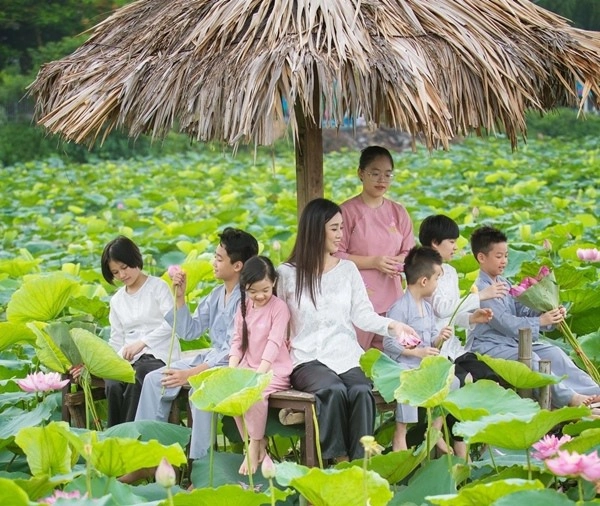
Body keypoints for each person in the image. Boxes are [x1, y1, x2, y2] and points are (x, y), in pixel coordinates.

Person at [277, 197, 419, 462]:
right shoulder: (286, 274)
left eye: (342, 227)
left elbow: (363, 315)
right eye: (334, 228)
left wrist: (393, 325)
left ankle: (361, 463)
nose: (341, 235)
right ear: (315, 230)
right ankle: (338, 460)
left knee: (361, 391)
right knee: (332, 390)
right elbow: (276, 321)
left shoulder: (348, 270)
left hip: (346, 355)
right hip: (307, 358)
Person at [135, 227, 259, 461]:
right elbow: (188, 331)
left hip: (234, 365)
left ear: (238, 266)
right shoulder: (214, 295)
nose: (213, 262)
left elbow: (233, 352)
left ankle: (199, 466)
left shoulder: (248, 298)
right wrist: (180, 297)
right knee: (154, 379)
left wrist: (190, 374)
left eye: (219, 258)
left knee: (199, 391)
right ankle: (146, 458)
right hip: (208, 360)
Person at [468, 225, 600, 408]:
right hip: (490, 346)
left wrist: (548, 313)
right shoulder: (481, 289)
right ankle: (570, 399)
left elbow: (521, 310)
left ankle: (593, 392)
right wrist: (540, 321)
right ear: (481, 257)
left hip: (515, 341)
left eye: (506, 256)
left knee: (555, 352)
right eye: (498, 256)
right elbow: (506, 323)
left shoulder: (503, 282)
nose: (504, 261)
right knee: (532, 359)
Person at [336, 146, 415, 351]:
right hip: (358, 296)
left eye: (388, 175)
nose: (382, 180)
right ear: (360, 173)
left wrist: (398, 262)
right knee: (356, 355)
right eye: (375, 173)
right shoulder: (347, 211)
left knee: (393, 355)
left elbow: (410, 252)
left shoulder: (398, 212)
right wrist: (373, 262)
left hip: (393, 295)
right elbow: (335, 254)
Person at [384, 246, 458, 453]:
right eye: (436, 278)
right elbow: (389, 344)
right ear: (424, 281)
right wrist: (417, 353)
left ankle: (434, 430)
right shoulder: (400, 308)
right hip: (405, 366)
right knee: (409, 383)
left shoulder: (427, 307)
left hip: (423, 365)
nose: (437, 284)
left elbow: (430, 345)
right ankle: (400, 432)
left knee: (454, 381)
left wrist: (439, 339)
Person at [100, 236, 180, 427]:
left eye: (124, 267)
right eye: (115, 272)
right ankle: (115, 434)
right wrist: (111, 362)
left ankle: (132, 435)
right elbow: (117, 338)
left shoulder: (158, 287)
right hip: (130, 359)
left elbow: (172, 323)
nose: (122, 275)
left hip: (160, 353)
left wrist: (142, 343)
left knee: (139, 376)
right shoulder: (117, 300)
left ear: (134, 259)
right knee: (112, 382)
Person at [419, 214, 506, 384]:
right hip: (432, 348)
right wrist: (480, 295)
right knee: (464, 382)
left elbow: (451, 314)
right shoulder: (421, 270)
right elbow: (441, 309)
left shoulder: (450, 272)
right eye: (451, 242)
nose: (456, 247)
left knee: (489, 376)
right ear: (435, 242)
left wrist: (470, 318)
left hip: (453, 348)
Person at [228, 256, 292, 475]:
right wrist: (231, 369)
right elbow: (237, 341)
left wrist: (259, 374)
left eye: (265, 289)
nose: (259, 296)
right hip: (248, 364)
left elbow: (274, 343)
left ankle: (253, 445)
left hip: (274, 368)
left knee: (255, 392)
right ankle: (256, 441)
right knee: (232, 394)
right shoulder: (243, 306)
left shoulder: (279, 308)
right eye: (253, 291)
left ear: (273, 282)